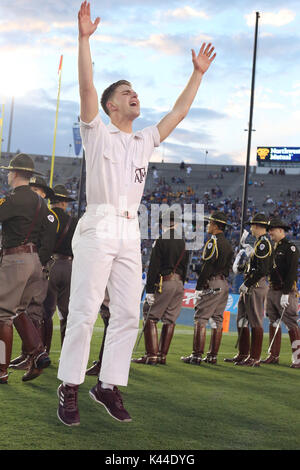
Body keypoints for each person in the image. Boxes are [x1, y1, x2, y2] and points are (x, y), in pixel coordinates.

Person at [57, 0, 216, 427]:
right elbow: (87, 89)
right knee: (86, 310)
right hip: (99, 223)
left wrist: (197, 74)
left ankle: (107, 386)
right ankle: (69, 386)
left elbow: (178, 113)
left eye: (135, 92)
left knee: (128, 313)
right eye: (126, 92)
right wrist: (83, 40)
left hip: (131, 231)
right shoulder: (97, 132)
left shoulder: (144, 139)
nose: (135, 96)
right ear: (111, 106)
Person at [0, 154, 55, 384]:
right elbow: (47, 235)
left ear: (14, 174)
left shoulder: (13, 199)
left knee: (2, 316)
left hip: (16, 259)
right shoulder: (42, 202)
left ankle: (1, 371)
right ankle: (38, 352)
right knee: (19, 310)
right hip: (35, 262)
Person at [132, 211, 189, 366]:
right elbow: (185, 266)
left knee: (150, 316)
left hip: (165, 282)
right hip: (179, 283)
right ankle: (162, 356)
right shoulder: (183, 242)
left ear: (163, 224)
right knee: (170, 318)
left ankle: (151, 355)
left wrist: (149, 290)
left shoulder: (161, 240)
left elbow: (154, 267)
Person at [181, 211, 233, 365]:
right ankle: (212, 356)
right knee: (217, 319)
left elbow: (207, 267)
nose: (208, 226)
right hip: (223, 284)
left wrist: (198, 287)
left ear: (216, 226)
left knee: (201, 317)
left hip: (212, 283)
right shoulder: (228, 244)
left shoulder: (213, 242)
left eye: (210, 223)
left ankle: (196, 355)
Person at [224, 214, 272, 367]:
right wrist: (242, 267)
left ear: (257, 226)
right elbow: (254, 266)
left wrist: (248, 282)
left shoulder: (263, 244)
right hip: (251, 285)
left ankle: (254, 357)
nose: (251, 228)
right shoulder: (259, 244)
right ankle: (244, 353)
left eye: (252, 225)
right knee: (242, 319)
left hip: (255, 286)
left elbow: (262, 269)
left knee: (255, 321)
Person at [261, 217, 300, 368]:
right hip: (272, 289)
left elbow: (292, 273)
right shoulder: (274, 248)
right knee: (273, 321)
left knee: (291, 323)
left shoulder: (291, 248)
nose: (270, 232)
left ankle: (298, 358)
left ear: (280, 230)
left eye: (272, 230)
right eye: (269, 230)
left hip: (285, 291)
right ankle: (273, 355)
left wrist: (286, 292)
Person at [43, 185, 78, 354]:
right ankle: (67, 355)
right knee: (67, 314)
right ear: (64, 203)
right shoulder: (75, 221)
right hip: (70, 267)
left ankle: (43, 352)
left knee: (46, 312)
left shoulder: (47, 216)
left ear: (51, 201)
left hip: (51, 265)